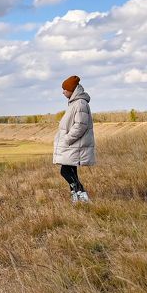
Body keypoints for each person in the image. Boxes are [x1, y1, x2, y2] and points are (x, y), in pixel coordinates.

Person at [53, 75, 95, 203]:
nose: (63, 92)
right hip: (73, 145)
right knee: (70, 171)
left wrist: (67, 139)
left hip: (74, 144)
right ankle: (76, 197)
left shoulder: (80, 104)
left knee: (65, 171)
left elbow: (80, 126)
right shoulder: (75, 103)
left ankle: (82, 195)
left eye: (65, 89)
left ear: (72, 90)